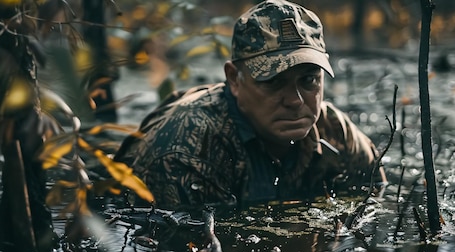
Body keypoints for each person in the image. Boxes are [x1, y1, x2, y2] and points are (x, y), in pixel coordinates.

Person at [114, 0, 387, 210]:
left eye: (308, 80)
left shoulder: (337, 134)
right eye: (273, 82)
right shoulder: (187, 148)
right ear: (234, 79)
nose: (295, 100)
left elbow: (375, 203)